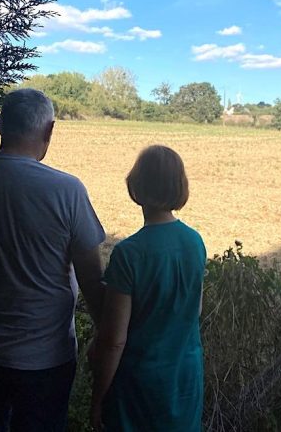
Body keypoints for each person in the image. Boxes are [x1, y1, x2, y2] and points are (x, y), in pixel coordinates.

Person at [0, 88, 105, 432]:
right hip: (46, 360)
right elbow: (92, 280)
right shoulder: (67, 190)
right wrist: (108, 340)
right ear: (50, 130)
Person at [90, 145, 206, 432]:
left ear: (137, 185)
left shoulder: (129, 254)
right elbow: (196, 309)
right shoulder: (195, 242)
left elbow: (113, 340)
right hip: (185, 380)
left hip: (139, 388)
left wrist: (97, 398)